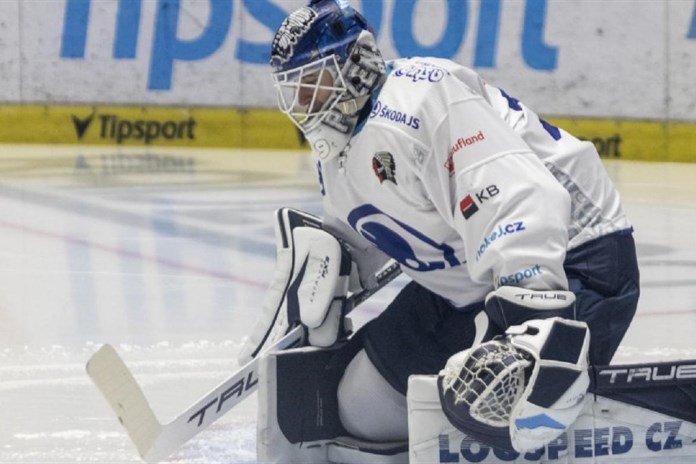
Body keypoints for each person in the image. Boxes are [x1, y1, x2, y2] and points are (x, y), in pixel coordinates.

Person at [241, 0, 640, 461]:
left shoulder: (423, 99)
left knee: (491, 400)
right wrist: (327, 274)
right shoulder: (338, 148)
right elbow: (369, 229)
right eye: (295, 90)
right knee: (359, 406)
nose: (304, 104)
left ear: (357, 63)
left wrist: (534, 321)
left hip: (573, 260)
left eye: (315, 83)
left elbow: (521, 196)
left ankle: (569, 392)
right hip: (468, 283)